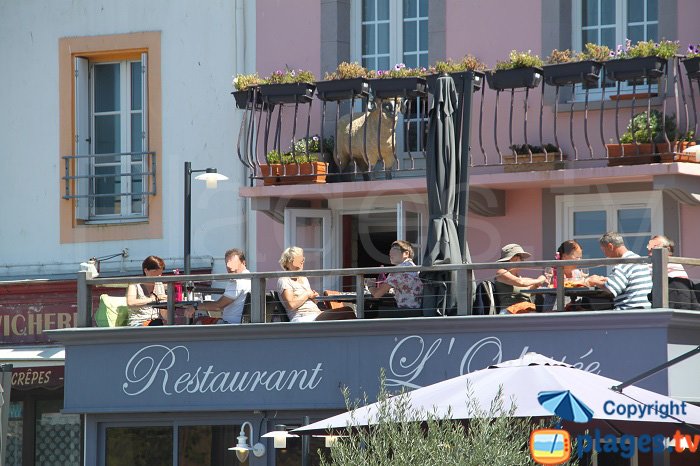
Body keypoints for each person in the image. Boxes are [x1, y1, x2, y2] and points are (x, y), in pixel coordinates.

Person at [587, 232, 653, 310]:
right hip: (644, 308)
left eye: (604, 250)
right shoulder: (637, 259)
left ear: (610, 246)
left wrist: (594, 280)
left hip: (628, 310)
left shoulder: (624, 264)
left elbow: (612, 288)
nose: (605, 255)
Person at [184, 249, 251, 324]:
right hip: (241, 324)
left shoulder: (237, 281)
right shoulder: (250, 279)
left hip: (230, 325)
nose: (230, 268)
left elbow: (218, 306)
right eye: (227, 265)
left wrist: (195, 306)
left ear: (243, 263)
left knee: (198, 321)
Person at [366, 240, 423, 309]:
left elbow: (376, 295)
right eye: (391, 249)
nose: (391, 252)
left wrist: (370, 285)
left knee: (367, 312)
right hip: (418, 310)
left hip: (404, 311)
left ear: (406, 254)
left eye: (395, 248)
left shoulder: (397, 270)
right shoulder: (415, 268)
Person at [494, 244, 548, 313]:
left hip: (523, 311)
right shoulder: (501, 272)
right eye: (521, 258)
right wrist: (539, 280)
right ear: (513, 258)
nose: (523, 261)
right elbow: (521, 282)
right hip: (508, 312)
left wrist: (539, 283)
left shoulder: (518, 277)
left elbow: (528, 290)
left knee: (549, 313)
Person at [126, 255, 168, 326]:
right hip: (138, 322)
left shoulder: (159, 284)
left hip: (156, 322)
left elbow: (164, 314)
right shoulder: (135, 284)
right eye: (155, 272)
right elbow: (130, 303)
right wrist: (154, 299)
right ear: (146, 270)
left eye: (160, 273)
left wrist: (168, 305)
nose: (159, 275)